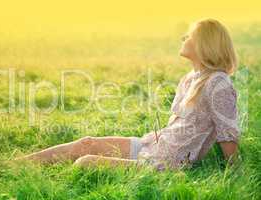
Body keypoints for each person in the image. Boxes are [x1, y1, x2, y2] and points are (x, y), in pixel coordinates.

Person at [16, 18, 240, 171]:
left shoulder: (218, 83)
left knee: (85, 163)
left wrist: (234, 174)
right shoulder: (191, 76)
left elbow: (227, 133)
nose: (184, 38)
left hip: (167, 162)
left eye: (189, 35)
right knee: (86, 144)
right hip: (153, 145)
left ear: (204, 43)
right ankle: (14, 164)